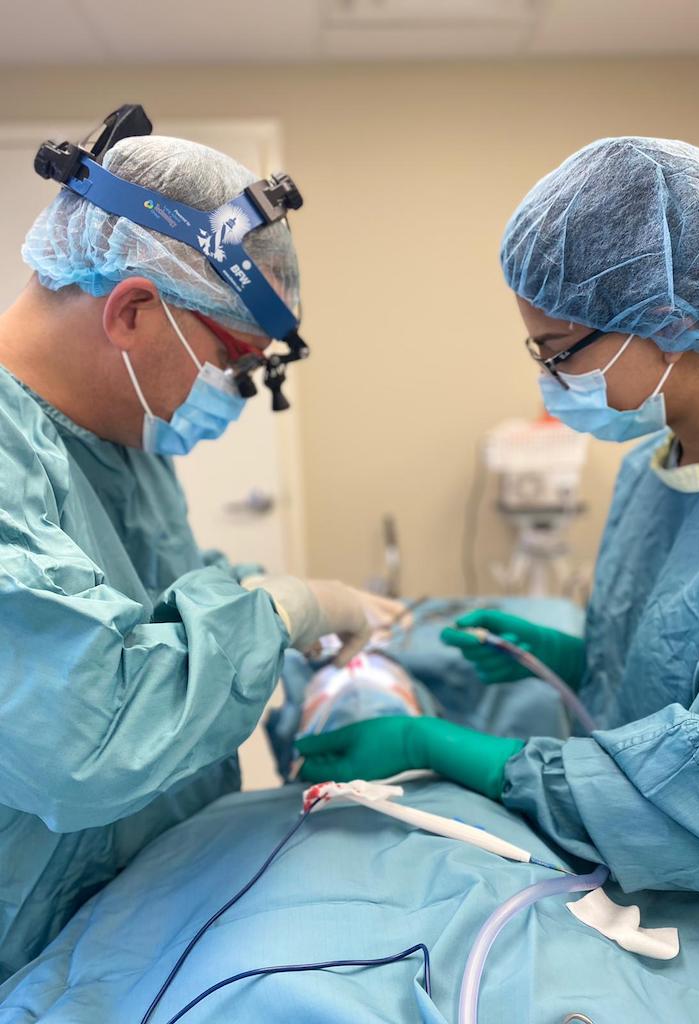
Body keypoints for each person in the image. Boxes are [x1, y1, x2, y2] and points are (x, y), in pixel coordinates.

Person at [298, 137, 699, 900]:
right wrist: (582, 660)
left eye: (559, 352)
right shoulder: (656, 465)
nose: (548, 379)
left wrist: (443, 747)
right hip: (629, 871)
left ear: (669, 317)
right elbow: (690, 675)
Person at [0, 125, 402, 982]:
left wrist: (285, 613)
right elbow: (88, 735)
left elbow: (153, 605)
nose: (239, 396)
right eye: (234, 363)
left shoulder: (116, 447)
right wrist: (283, 611)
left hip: (139, 918)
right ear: (133, 310)